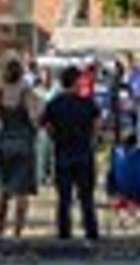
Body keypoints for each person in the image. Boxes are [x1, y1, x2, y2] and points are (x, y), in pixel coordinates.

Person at [0, 58, 39, 240]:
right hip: (24, 143)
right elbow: (35, 118)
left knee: (2, 188)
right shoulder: (26, 91)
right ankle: (17, 232)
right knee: (22, 192)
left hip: (4, 141)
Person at [41, 65, 102, 241]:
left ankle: (64, 233)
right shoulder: (87, 102)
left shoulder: (54, 103)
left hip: (63, 151)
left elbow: (45, 124)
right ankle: (91, 231)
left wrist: (55, 136)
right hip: (83, 151)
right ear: (76, 82)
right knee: (86, 197)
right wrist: (92, 136)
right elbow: (98, 122)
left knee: (64, 198)